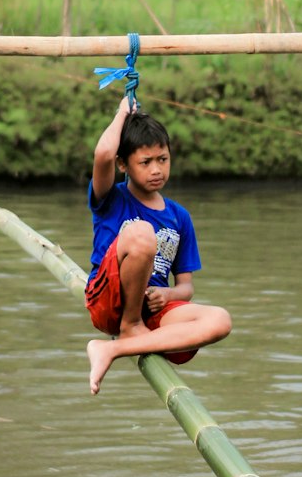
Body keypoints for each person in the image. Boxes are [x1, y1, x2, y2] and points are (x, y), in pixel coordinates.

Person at [85, 97, 231, 395]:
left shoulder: (180, 217)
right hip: (109, 301)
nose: (156, 170)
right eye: (145, 162)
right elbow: (102, 154)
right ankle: (130, 326)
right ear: (123, 164)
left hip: (152, 312)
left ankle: (115, 348)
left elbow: (186, 288)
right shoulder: (112, 199)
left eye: (162, 160)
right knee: (142, 233)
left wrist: (168, 294)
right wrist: (123, 112)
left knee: (220, 320)